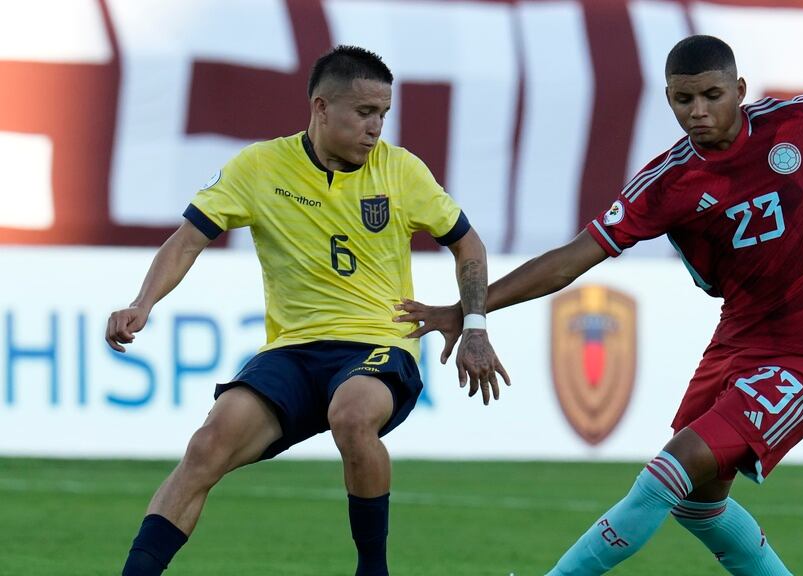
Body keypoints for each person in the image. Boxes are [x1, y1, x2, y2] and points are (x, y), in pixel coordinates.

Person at [396, 35, 803, 575]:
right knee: (697, 503)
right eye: (683, 98)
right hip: (736, 344)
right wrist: (471, 309)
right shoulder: (668, 183)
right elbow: (574, 257)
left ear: (739, 90)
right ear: (668, 97)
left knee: (668, 474)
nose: (697, 111)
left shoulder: (799, 122)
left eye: (711, 96)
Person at [107, 45, 509, 576]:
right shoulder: (260, 166)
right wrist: (142, 303)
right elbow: (186, 241)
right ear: (321, 108)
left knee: (352, 414)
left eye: (384, 114)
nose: (376, 128)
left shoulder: (402, 171)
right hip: (293, 352)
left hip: (378, 343)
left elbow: (469, 245)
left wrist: (474, 324)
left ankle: (373, 571)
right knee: (206, 448)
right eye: (365, 113)